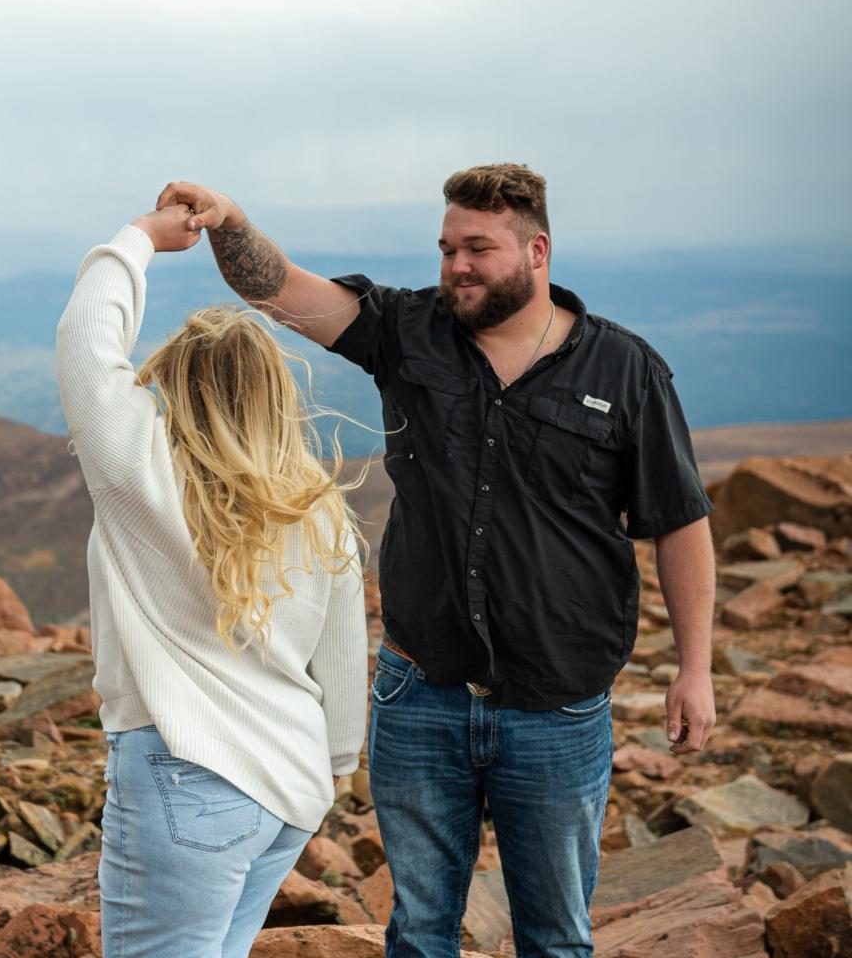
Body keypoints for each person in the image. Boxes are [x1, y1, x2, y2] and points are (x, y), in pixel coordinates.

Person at [154, 164, 717, 958]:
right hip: (419, 695)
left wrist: (695, 669)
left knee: (556, 938)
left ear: (537, 251)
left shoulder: (624, 372)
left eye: (478, 249)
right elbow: (276, 289)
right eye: (448, 249)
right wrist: (227, 218)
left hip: (556, 706)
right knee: (419, 933)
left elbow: (680, 523)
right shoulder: (406, 329)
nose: (457, 266)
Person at [55, 202, 369, 958]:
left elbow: (86, 344)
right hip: (290, 789)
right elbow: (342, 660)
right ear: (275, 393)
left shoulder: (141, 473)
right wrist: (332, 767)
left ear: (176, 385)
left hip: (184, 773)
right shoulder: (318, 505)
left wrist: (139, 239)